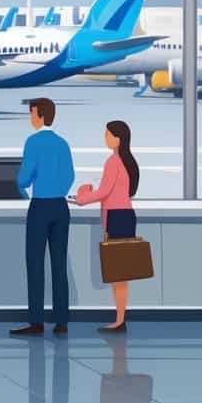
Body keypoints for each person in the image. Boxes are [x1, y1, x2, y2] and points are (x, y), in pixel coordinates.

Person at [12, 97, 76, 338]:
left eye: (31, 114)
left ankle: (36, 321)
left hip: (40, 207)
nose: (30, 118)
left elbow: (23, 177)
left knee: (35, 265)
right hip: (60, 207)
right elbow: (69, 175)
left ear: (39, 116)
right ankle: (62, 322)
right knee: (59, 266)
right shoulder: (62, 143)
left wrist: (24, 187)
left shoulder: (34, 142)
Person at [75, 120, 139, 333]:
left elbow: (104, 192)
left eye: (108, 134)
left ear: (118, 138)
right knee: (121, 273)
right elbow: (122, 192)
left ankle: (120, 320)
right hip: (126, 215)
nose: (105, 138)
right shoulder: (128, 161)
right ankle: (120, 317)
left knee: (118, 273)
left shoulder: (113, 161)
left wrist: (81, 197)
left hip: (116, 217)